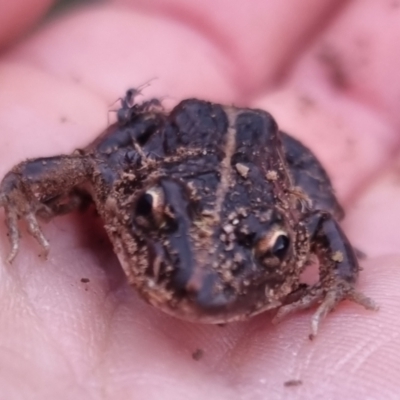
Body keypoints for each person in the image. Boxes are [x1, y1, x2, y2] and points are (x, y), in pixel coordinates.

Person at [0, 0, 399, 398]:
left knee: (321, 205)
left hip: (260, 153)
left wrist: (338, 280)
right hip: (183, 135)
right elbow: (90, 166)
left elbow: (320, 222)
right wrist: (19, 191)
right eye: (151, 212)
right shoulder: (127, 180)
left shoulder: (292, 219)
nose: (199, 285)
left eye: (275, 247)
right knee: (110, 151)